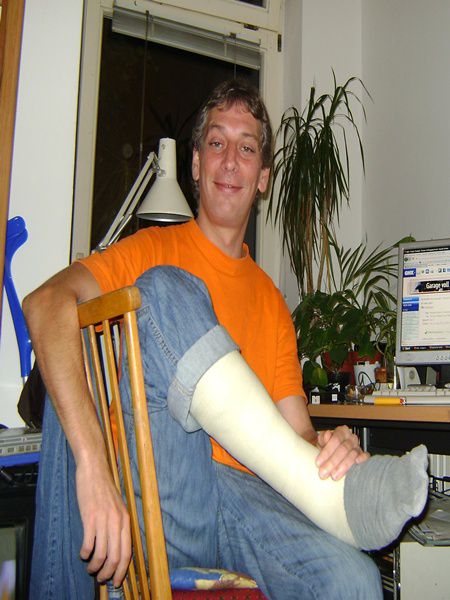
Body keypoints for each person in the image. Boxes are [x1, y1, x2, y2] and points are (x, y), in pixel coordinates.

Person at [23, 79, 427, 599]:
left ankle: (331, 499)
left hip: (246, 497)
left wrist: (331, 449)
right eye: (216, 143)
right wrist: (92, 464)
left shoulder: (273, 305)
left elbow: (297, 434)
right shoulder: (147, 250)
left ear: (264, 178)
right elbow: (45, 303)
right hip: (168, 479)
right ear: (195, 165)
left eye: (247, 148)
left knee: (356, 580)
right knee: (165, 289)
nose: (230, 161)